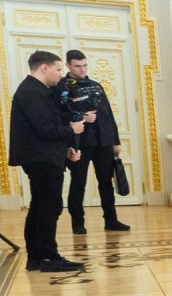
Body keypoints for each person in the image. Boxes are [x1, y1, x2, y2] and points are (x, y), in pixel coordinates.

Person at [10, 50, 86, 273]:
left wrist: (66, 149)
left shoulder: (37, 90)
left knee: (39, 206)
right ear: (45, 68)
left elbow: (46, 127)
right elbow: (45, 128)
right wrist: (71, 129)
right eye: (58, 69)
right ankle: (49, 258)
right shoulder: (32, 92)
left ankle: (35, 258)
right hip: (40, 157)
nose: (60, 74)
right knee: (49, 207)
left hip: (42, 155)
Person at [53, 50, 129, 235]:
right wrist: (81, 116)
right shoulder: (60, 87)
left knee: (106, 182)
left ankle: (111, 220)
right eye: (78, 66)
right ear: (68, 65)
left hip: (103, 141)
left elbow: (108, 114)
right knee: (78, 183)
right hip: (79, 142)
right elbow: (56, 115)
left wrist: (115, 141)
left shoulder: (96, 85)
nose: (82, 69)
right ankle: (77, 223)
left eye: (85, 65)